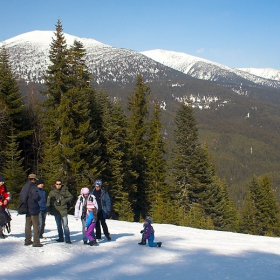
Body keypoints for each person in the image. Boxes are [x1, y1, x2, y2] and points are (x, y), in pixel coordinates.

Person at [19, 173, 43, 247]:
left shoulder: (25, 187)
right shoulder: (33, 188)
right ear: (33, 179)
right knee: (36, 225)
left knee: (28, 225)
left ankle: (28, 240)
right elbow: (36, 197)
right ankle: (36, 242)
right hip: (33, 208)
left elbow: (21, 197)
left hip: (27, 208)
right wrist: (39, 197)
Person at [47, 179, 73, 243]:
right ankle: (60, 237)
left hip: (63, 210)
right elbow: (48, 201)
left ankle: (67, 239)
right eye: (57, 184)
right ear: (55, 184)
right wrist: (48, 209)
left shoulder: (65, 190)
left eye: (59, 184)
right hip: (56, 211)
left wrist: (64, 201)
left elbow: (71, 197)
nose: (58, 185)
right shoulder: (52, 192)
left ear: (61, 184)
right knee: (59, 225)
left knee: (65, 225)